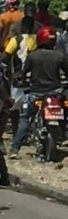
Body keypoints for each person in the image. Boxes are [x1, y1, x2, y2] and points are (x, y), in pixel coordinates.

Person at [9, 25, 68, 158]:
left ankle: (15, 149)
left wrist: (25, 85)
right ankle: (63, 133)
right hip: (56, 93)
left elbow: (24, 74)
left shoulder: (32, 56)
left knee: (25, 119)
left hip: (36, 94)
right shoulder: (60, 56)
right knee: (65, 111)